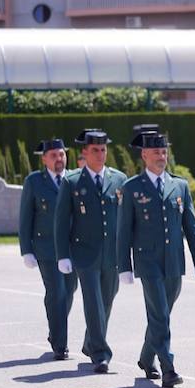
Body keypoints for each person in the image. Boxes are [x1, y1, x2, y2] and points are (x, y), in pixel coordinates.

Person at [117, 131, 195, 388]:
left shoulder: (180, 186)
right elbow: (124, 231)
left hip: (174, 261)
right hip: (147, 261)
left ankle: (145, 357)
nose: (162, 157)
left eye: (164, 152)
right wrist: (124, 267)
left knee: (161, 314)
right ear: (144, 155)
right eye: (156, 152)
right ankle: (168, 368)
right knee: (160, 314)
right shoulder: (131, 188)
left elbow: (191, 227)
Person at [54, 129, 128, 373]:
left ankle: (90, 341)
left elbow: (128, 220)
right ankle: (100, 353)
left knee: (107, 299)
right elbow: (62, 221)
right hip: (84, 253)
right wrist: (62, 255)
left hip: (112, 254)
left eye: (103, 149)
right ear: (84, 153)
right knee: (94, 302)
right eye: (95, 150)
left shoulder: (119, 180)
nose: (100, 154)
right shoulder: (72, 181)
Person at [19, 139, 78, 360]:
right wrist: (26, 249)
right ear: (44, 158)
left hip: (72, 248)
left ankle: (55, 331)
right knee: (57, 293)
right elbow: (25, 217)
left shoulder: (74, 180)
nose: (59, 159)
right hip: (46, 248)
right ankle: (60, 344)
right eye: (53, 155)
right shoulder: (34, 182)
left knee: (69, 291)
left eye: (61, 155)